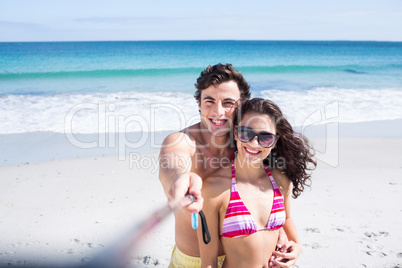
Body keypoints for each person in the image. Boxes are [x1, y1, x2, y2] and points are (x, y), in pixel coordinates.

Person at [159, 64, 293, 268]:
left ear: (242, 105)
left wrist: (282, 233)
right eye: (209, 101)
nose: (218, 112)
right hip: (195, 262)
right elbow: (171, 164)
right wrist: (180, 179)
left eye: (228, 103)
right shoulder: (182, 141)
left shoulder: (248, 142)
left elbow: (266, 197)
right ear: (199, 103)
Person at [197, 98, 316, 268]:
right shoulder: (214, 188)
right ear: (236, 132)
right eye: (247, 133)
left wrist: (296, 245)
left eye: (265, 137)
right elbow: (208, 263)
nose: (254, 143)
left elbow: (287, 219)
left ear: (275, 140)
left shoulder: (280, 179)